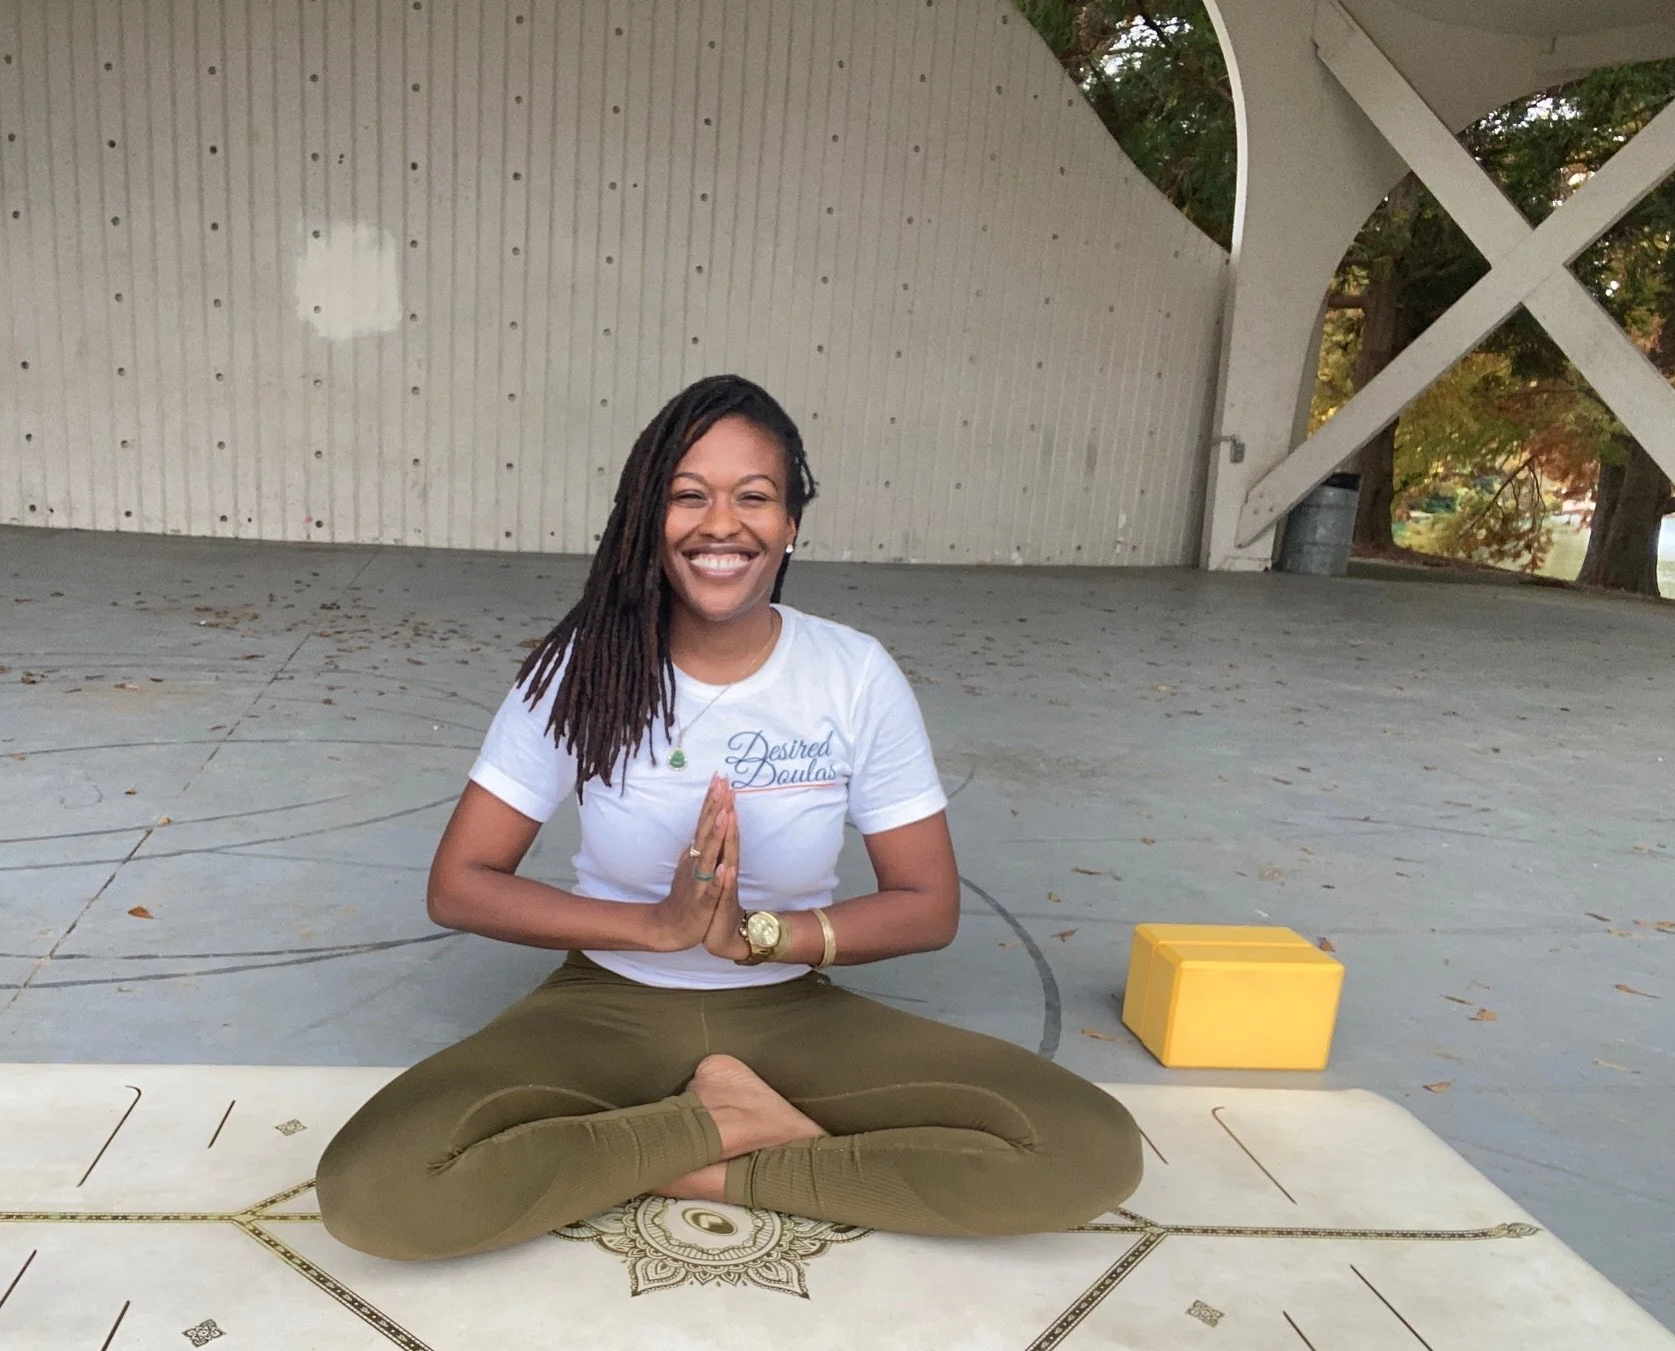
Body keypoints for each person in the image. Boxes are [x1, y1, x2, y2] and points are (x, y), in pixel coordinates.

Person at [316, 376, 1142, 1261]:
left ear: (791, 522)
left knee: (1088, 1148)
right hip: (606, 1003)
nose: (721, 523)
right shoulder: (580, 667)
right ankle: (730, 1126)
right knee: (374, 1190)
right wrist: (656, 925)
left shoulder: (851, 672)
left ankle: (698, 1148)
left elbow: (925, 902)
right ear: (647, 518)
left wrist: (765, 935)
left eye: (754, 496)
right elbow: (460, 884)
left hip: (787, 1008)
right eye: (687, 495)